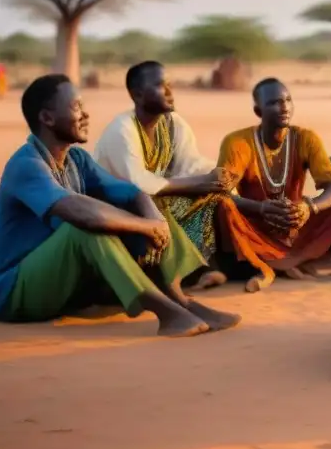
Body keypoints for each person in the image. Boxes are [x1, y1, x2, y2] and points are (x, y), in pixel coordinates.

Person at [0, 74, 241, 336]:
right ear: (47, 118)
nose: (85, 115)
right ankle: (165, 312)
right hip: (14, 294)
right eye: (76, 107)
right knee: (83, 227)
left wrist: (154, 220)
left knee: (151, 207)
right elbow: (78, 212)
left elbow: (132, 193)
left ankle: (179, 299)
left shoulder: (77, 159)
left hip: (63, 284)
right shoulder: (26, 164)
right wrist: (144, 227)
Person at [215, 78, 331, 291]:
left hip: (295, 225)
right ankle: (270, 266)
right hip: (255, 228)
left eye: (288, 100)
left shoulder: (305, 138)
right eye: (274, 102)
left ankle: (284, 263)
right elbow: (222, 192)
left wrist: (308, 207)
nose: (284, 107)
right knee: (223, 206)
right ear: (258, 111)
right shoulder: (238, 142)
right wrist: (261, 208)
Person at [94, 61, 230, 289]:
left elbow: (191, 164)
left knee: (212, 197)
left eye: (169, 84)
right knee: (159, 204)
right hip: (120, 210)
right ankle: (172, 275)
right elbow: (138, 185)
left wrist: (216, 175)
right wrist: (200, 182)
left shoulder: (173, 123)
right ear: (136, 94)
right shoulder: (122, 130)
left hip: (155, 198)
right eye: (160, 85)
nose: (169, 91)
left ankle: (204, 267)